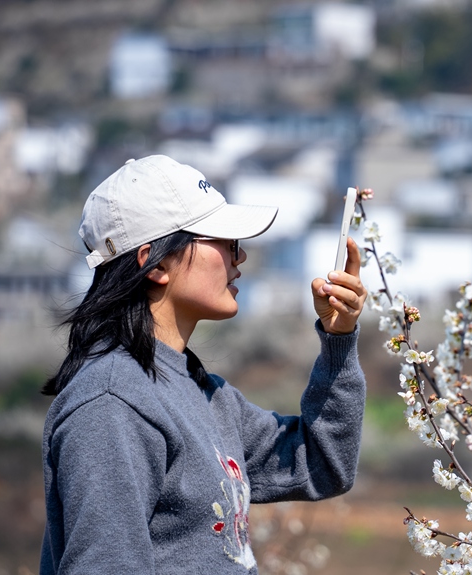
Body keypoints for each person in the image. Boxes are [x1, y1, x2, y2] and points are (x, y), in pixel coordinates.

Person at [39, 155, 367, 574]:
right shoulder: (112, 405)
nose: (240, 256)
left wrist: (339, 339)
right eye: (223, 240)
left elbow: (322, 465)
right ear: (155, 263)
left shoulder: (205, 394)